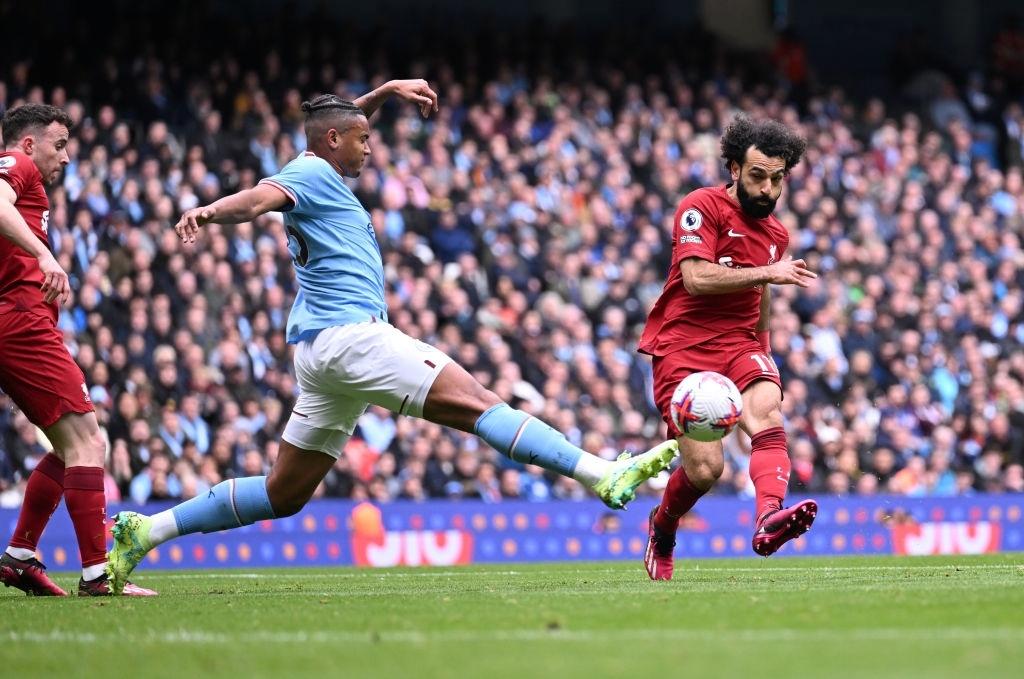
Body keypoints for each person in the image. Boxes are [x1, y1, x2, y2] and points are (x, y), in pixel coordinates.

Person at [106, 80, 678, 593]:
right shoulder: (307, 175)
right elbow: (260, 199)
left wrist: (385, 92)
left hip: (322, 352)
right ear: (333, 140)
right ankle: (602, 473)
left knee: (284, 493)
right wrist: (208, 211)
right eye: (362, 140)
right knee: (481, 404)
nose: (370, 147)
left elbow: (344, 118)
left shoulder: (321, 163)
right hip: (353, 339)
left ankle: (148, 529)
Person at [638, 114, 818, 581]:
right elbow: (696, 279)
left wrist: (766, 354)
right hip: (683, 346)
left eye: (777, 179)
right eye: (758, 176)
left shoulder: (776, 234)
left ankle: (768, 518)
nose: (768, 189)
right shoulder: (701, 206)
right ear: (735, 169)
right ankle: (663, 526)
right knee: (705, 471)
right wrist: (767, 273)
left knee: (767, 411)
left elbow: (761, 302)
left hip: (740, 343)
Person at [0, 104, 155, 596]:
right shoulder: (15, 165)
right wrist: (45, 254)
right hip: (22, 325)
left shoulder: (31, 186)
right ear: (28, 144)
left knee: (80, 445)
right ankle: (97, 575)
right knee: (88, 442)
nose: (66, 157)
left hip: (24, 322)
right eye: (59, 145)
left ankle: (20, 556)